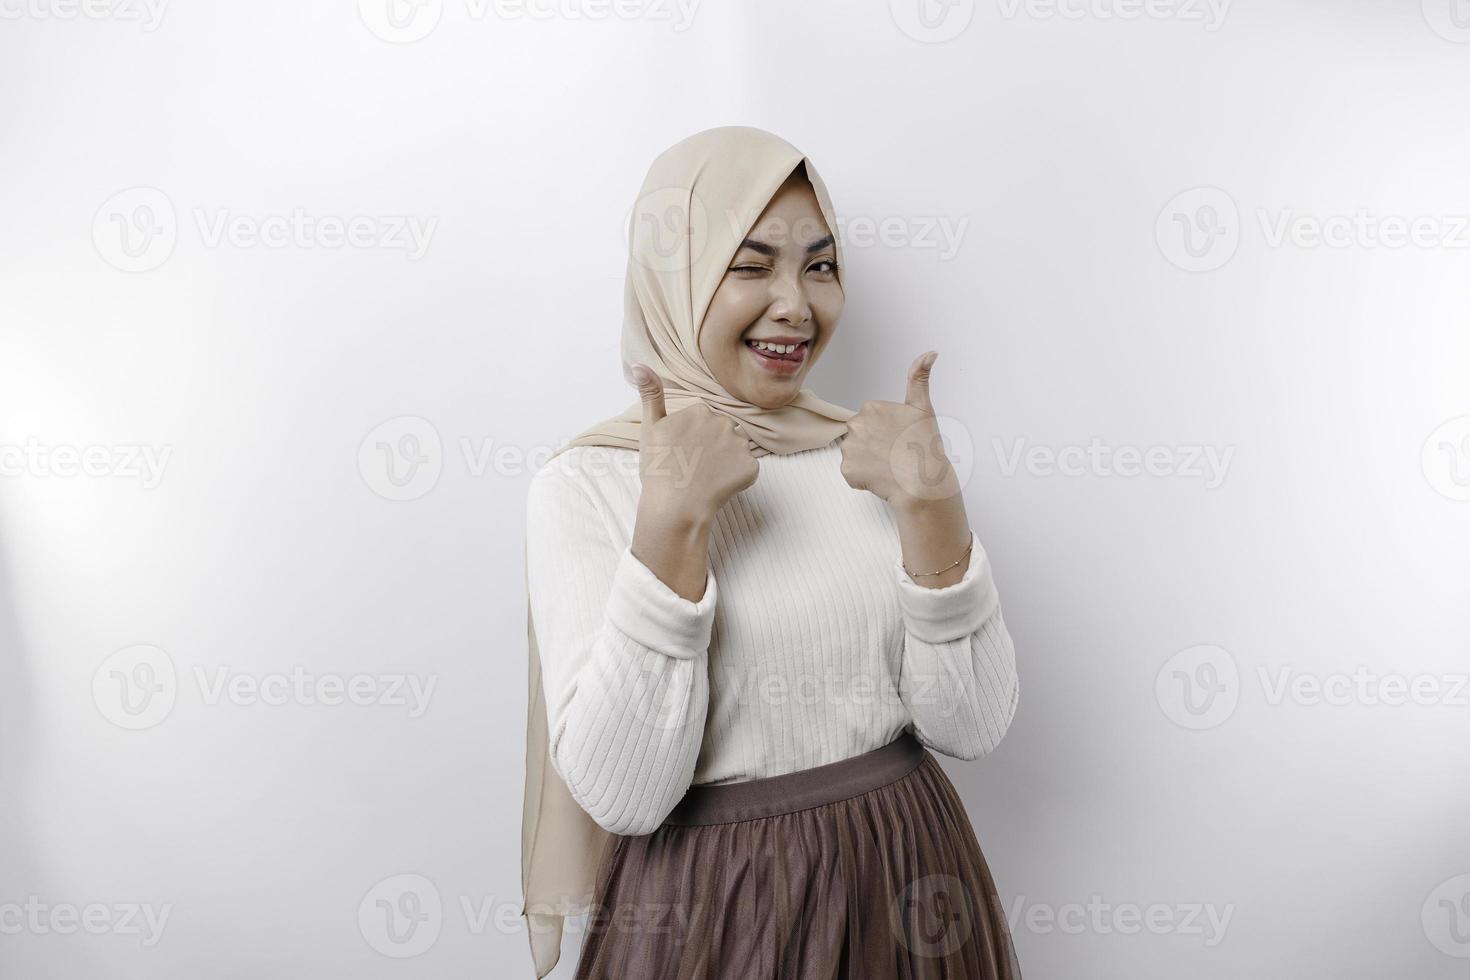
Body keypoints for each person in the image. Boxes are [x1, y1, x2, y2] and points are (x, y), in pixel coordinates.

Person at [519, 125, 1022, 979]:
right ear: (671, 282)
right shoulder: (590, 484)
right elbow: (626, 796)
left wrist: (935, 512)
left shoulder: (866, 457)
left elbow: (971, 728)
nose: (797, 304)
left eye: (819, 266)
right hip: (716, 906)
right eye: (751, 267)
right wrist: (671, 531)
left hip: (908, 869)